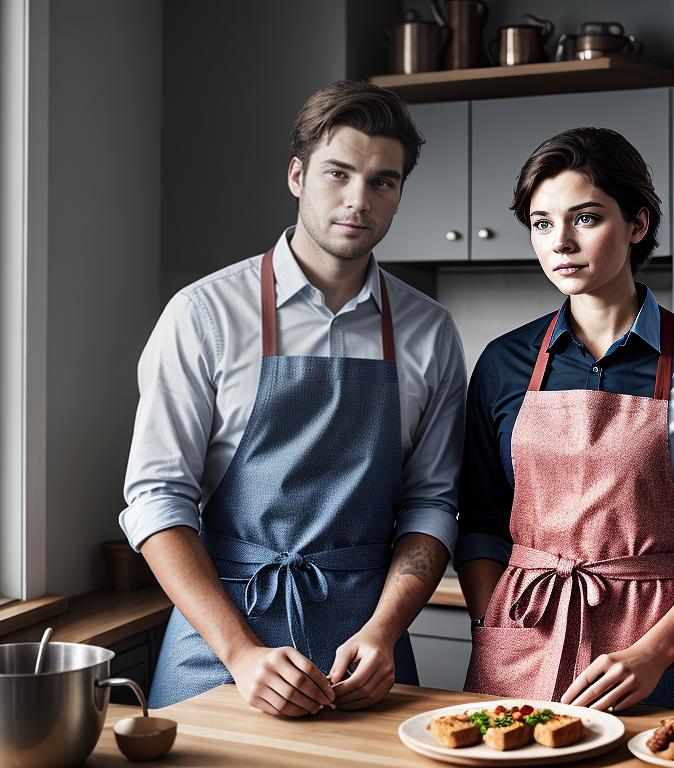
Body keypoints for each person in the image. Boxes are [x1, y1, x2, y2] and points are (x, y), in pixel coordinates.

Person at [120, 81, 466, 714]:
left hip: (366, 659)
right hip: (218, 650)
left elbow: (432, 503)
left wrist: (385, 633)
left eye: (383, 182)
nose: (358, 201)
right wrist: (241, 652)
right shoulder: (203, 314)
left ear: (399, 196)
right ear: (297, 176)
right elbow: (155, 499)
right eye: (339, 173)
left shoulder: (429, 330)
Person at [455, 127, 674, 713]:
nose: (561, 243)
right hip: (518, 641)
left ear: (638, 223)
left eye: (586, 218)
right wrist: (490, 619)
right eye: (542, 223)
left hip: (651, 653)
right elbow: (479, 520)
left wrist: (656, 652)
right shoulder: (503, 363)